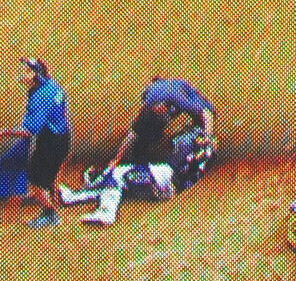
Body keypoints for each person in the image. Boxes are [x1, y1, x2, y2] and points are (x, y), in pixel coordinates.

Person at [66, 76, 218, 224]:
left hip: (163, 180)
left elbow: (136, 134)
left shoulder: (165, 98)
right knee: (122, 183)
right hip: (166, 182)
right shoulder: (195, 144)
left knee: (117, 176)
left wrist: (115, 162)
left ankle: (106, 212)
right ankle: (74, 197)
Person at [5, 57, 72, 228]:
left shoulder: (40, 96)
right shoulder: (51, 86)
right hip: (61, 137)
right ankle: (53, 200)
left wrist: (5, 132)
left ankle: (50, 214)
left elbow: (30, 130)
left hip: (52, 142)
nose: (22, 73)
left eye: (28, 71)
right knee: (50, 173)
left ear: (37, 75)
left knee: (34, 180)